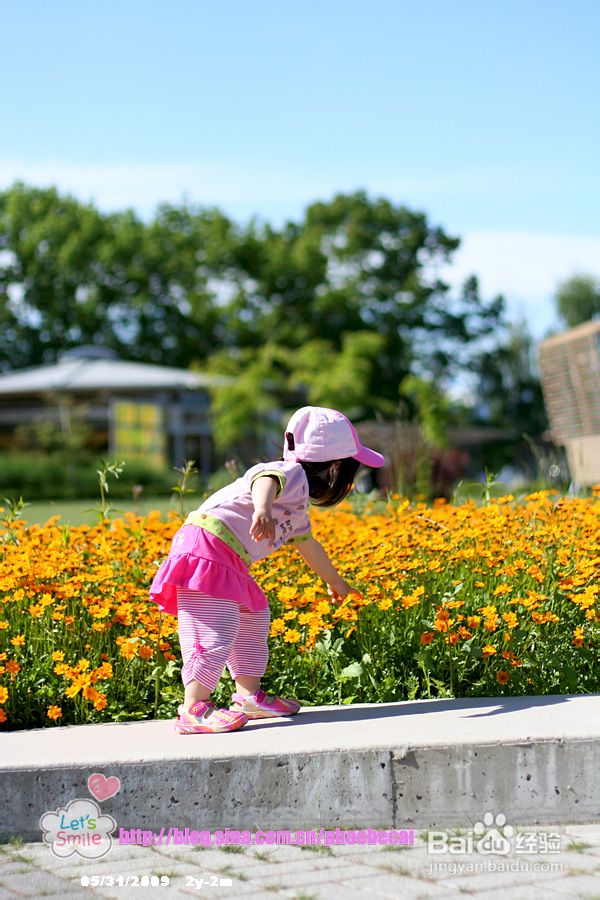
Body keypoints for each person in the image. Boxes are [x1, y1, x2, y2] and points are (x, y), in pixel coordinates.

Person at [149, 406, 385, 734]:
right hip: (206, 547)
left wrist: (336, 582)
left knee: (253, 614)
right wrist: (262, 508)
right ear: (334, 469)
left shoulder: (297, 506)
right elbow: (264, 479)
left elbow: (309, 546)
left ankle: (248, 696)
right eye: (352, 473)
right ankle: (193, 708)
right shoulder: (291, 474)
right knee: (214, 629)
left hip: (227, 554)